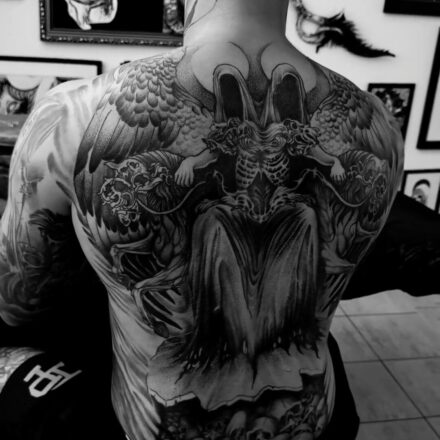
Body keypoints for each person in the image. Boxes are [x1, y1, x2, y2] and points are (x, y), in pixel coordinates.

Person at [0, 0, 404, 439]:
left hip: (149, 427)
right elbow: (234, 158)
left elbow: (18, 303)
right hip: (320, 420)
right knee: (229, 223)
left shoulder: (73, 113)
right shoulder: (381, 124)